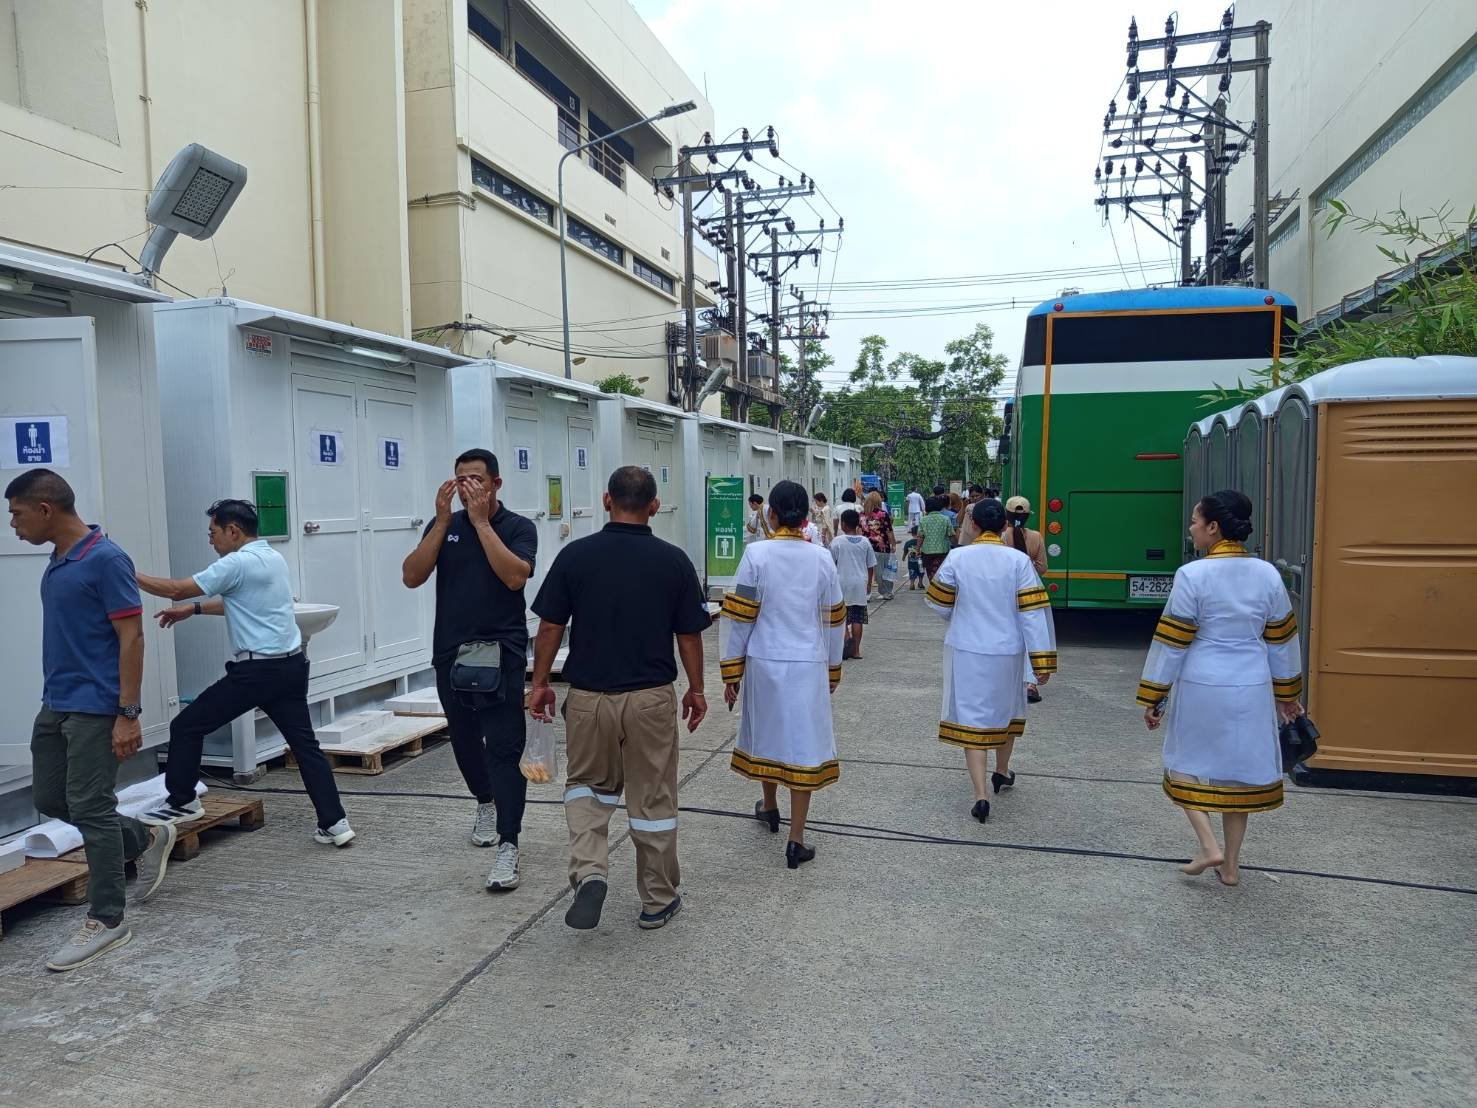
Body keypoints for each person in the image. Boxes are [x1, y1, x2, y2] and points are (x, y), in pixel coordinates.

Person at [6, 469, 176, 972]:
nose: (12, 525)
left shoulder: (105, 559)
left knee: (91, 805)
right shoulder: (59, 559)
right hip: (56, 700)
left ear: (44, 510)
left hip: (96, 705)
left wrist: (127, 714)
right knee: (50, 798)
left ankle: (107, 919)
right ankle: (145, 837)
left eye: (16, 514)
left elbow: (132, 639)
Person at [528, 467, 710, 932]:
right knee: (652, 800)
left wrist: (541, 683)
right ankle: (656, 899)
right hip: (649, 700)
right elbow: (688, 634)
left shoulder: (576, 556)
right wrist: (696, 688)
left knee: (587, 789)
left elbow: (550, 626)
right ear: (654, 506)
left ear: (607, 500)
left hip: (588, 698)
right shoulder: (673, 561)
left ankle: (590, 872)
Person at [137, 499, 354, 845]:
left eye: (213, 534)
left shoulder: (236, 563)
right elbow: (238, 602)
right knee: (306, 746)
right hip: (291, 665)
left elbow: (175, 588)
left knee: (186, 726)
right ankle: (335, 823)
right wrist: (192, 610)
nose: (211, 541)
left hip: (257, 672)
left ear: (233, 531)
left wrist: (125, 572)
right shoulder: (271, 558)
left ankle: (182, 801)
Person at [1138, 490, 1305, 887]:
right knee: (1238, 774)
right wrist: (1288, 696)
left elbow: (1172, 640)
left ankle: (1208, 845)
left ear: (1213, 527)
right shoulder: (1267, 573)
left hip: (1203, 681)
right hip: (1251, 682)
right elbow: (1282, 640)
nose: (1191, 527)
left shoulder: (1192, 574)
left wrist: (1154, 695)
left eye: (1196, 521)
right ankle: (1230, 866)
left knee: (1184, 763)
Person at [402, 448, 536, 890]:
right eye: (460, 480)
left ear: (496, 483)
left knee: (503, 745)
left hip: (502, 652)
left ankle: (510, 845)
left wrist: (481, 524)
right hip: (453, 653)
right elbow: (412, 576)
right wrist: (442, 522)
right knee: (463, 740)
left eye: (476, 480)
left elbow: (515, 577)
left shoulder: (517, 527)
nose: (467, 488)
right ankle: (485, 800)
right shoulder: (446, 526)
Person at [720, 480, 844, 869]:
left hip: (764, 660)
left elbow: (739, 615)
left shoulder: (756, 554)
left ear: (771, 514)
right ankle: (796, 838)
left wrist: (731, 669)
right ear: (806, 516)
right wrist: (833, 668)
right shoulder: (821, 557)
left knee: (768, 731)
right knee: (804, 743)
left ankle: (770, 806)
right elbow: (836, 617)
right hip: (807, 660)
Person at [926, 498, 1057, 823]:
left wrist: (961, 615)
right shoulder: (1018, 561)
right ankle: (1001, 770)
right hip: (1006, 650)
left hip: (967, 648)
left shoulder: (957, 557)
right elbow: (1032, 614)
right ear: (1004, 526)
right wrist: (1041, 660)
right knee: (1007, 710)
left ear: (973, 524)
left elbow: (939, 604)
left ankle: (981, 794)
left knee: (972, 718)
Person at [1002, 496, 1050, 703]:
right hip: (1031, 589)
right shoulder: (1036, 537)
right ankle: (1030, 683)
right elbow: (1043, 568)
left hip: (1006, 592)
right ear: (1027, 517)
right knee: (1031, 634)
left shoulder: (1002, 536)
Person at [831, 509, 876, 659]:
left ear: (843, 524)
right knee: (857, 618)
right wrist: (869, 582)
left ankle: (845, 640)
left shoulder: (837, 542)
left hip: (841, 583)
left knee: (842, 616)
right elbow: (870, 565)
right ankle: (856, 651)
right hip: (859, 583)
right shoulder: (865, 542)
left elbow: (831, 564)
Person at [917, 496, 954, 582]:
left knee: (930, 572)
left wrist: (917, 549)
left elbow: (920, 536)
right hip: (942, 551)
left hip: (927, 552)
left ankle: (933, 587)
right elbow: (951, 535)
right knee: (941, 572)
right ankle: (939, 588)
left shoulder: (923, 520)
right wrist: (956, 547)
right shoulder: (946, 519)